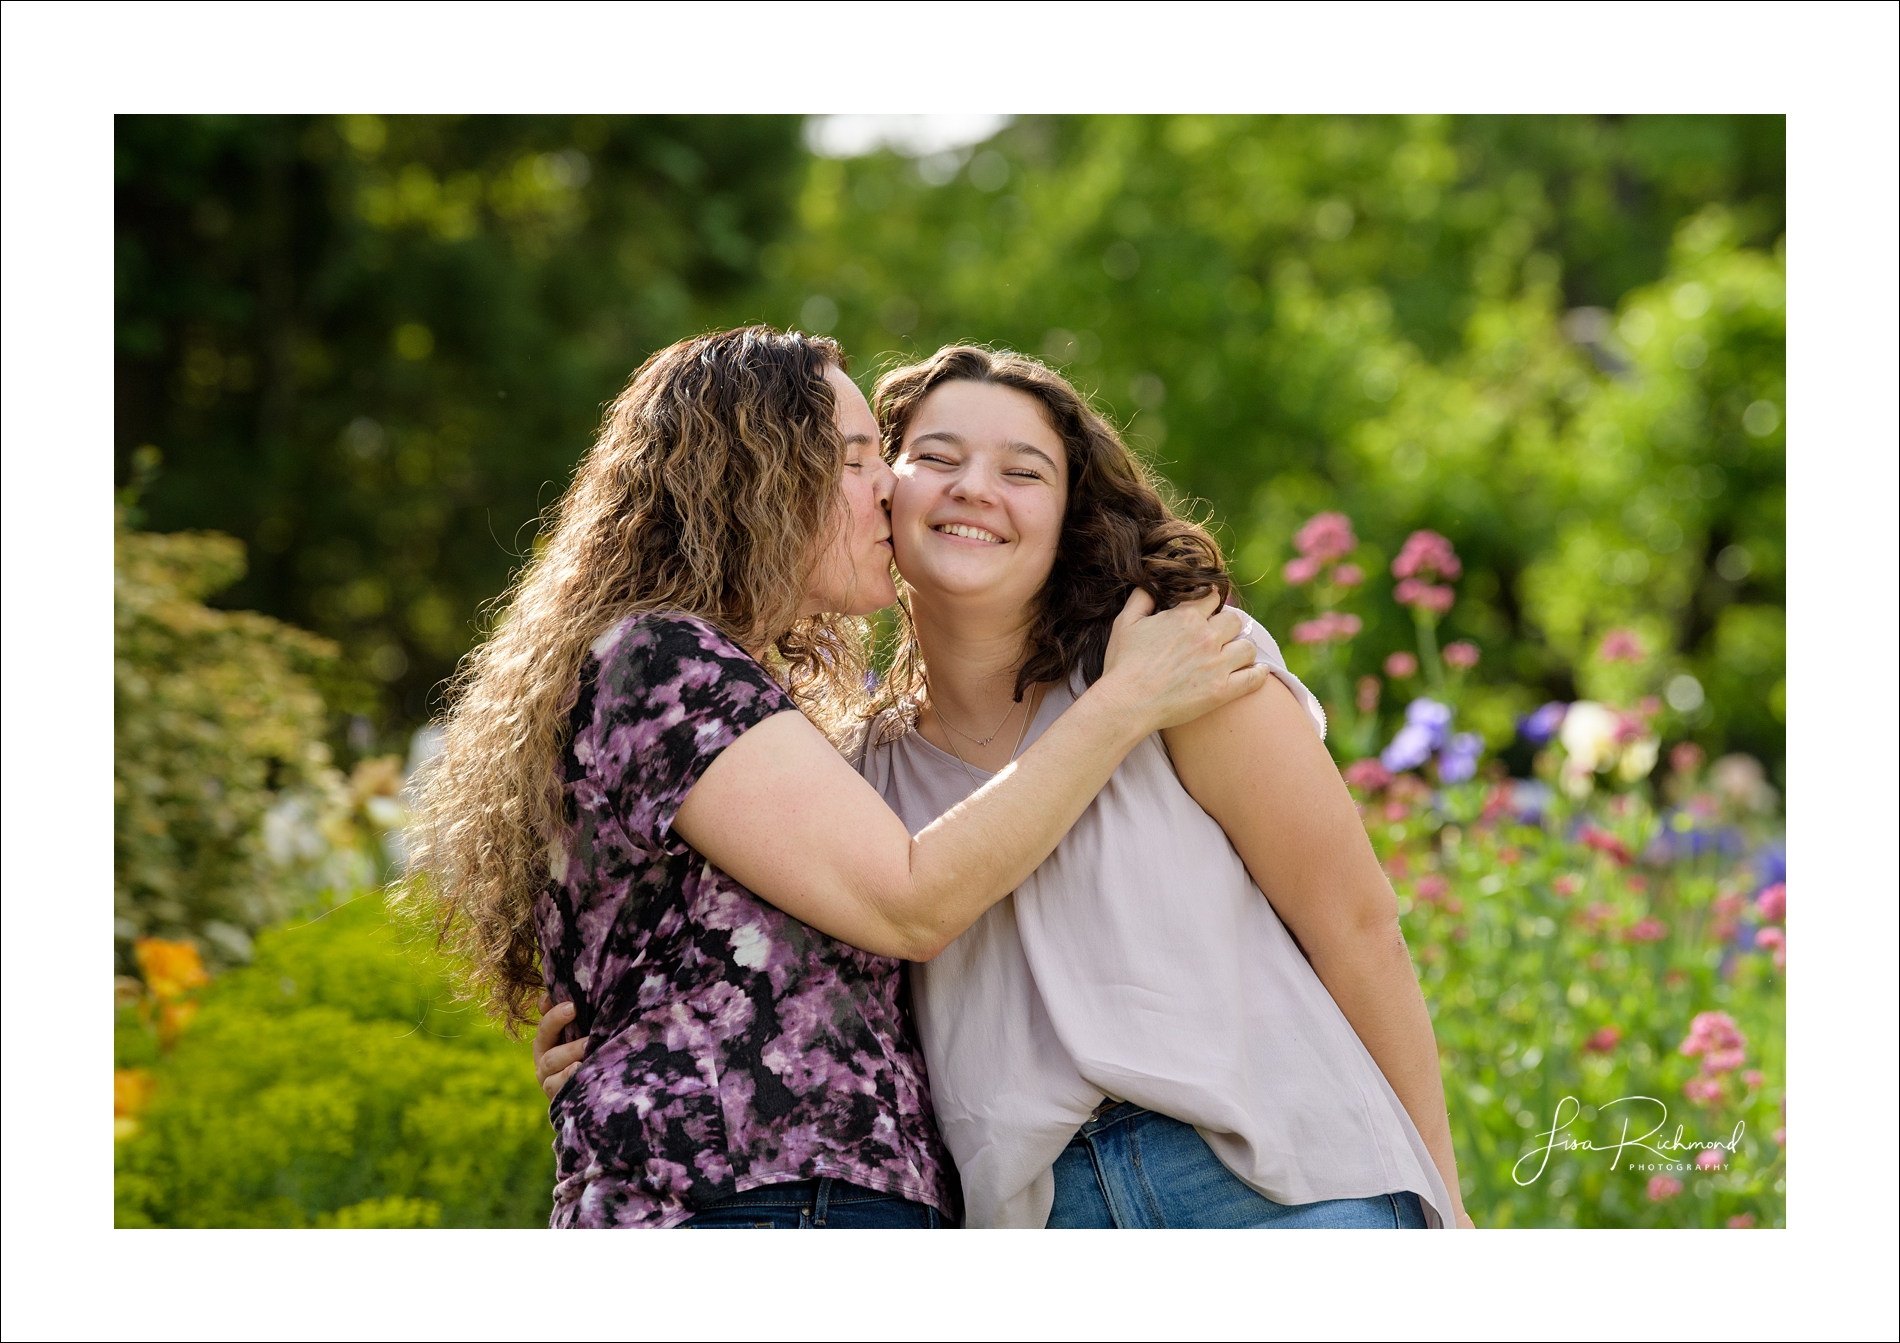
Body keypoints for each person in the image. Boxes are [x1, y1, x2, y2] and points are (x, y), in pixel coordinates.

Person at [405, 326, 1272, 1229]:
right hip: (758, 1200)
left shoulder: (745, 699)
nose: (891, 486)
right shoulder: (660, 660)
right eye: (856, 460)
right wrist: (1125, 700)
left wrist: (634, 1029)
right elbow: (911, 901)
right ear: (755, 480)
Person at [851, 345, 1473, 1228]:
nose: (974, 488)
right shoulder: (855, 772)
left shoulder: (1184, 663)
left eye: (1021, 470)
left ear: (1069, 514)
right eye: (938, 458)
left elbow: (1357, 926)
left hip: (1283, 1194)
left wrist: (1446, 1198)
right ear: (882, 491)